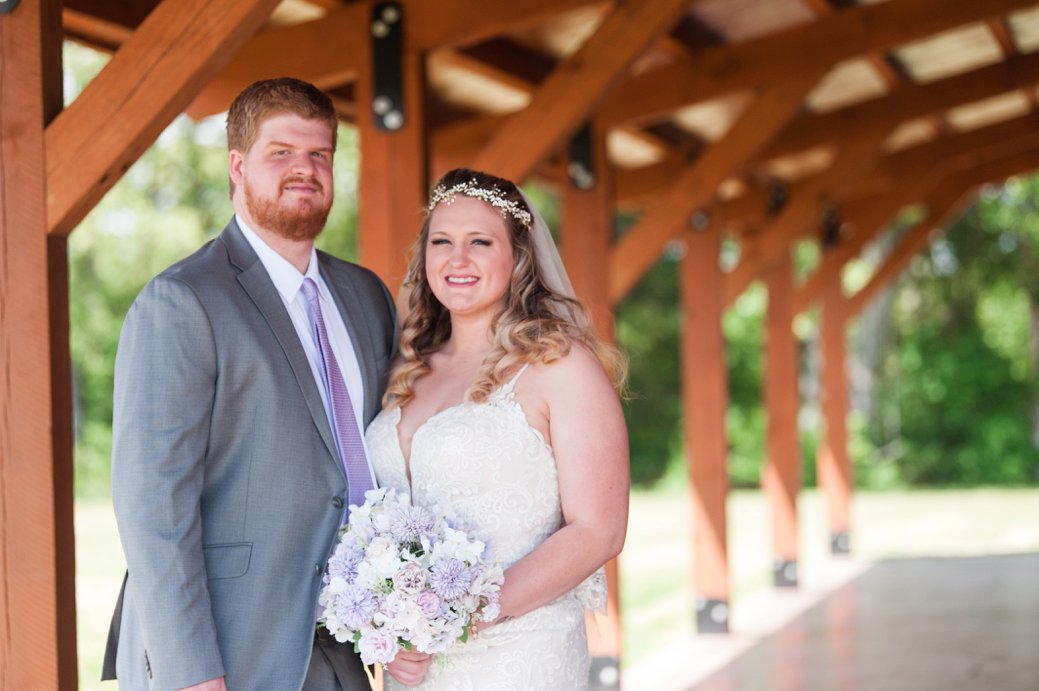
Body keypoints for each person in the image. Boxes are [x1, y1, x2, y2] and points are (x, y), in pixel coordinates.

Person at [101, 77, 397, 690]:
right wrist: (191, 673)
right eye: (281, 152)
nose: (305, 170)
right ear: (238, 166)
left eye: (319, 154)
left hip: (340, 650)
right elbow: (153, 506)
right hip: (226, 652)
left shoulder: (367, 296)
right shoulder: (182, 301)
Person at [366, 168, 630, 689]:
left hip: (520, 657)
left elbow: (599, 529)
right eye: (441, 241)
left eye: (480, 242)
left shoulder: (560, 366)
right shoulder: (406, 368)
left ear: (519, 258)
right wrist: (391, 632)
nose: (457, 259)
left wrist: (455, 615)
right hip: (416, 671)